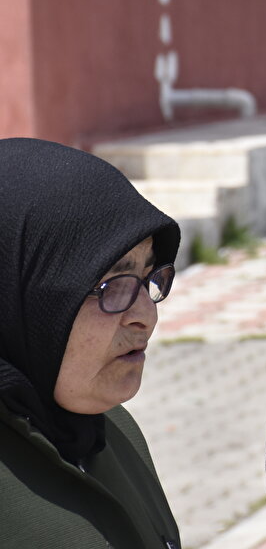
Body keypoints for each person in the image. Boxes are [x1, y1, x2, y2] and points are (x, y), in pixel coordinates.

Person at [0, 138, 182, 548]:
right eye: (112, 284)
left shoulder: (111, 428)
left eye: (147, 277)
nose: (146, 316)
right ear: (23, 296)